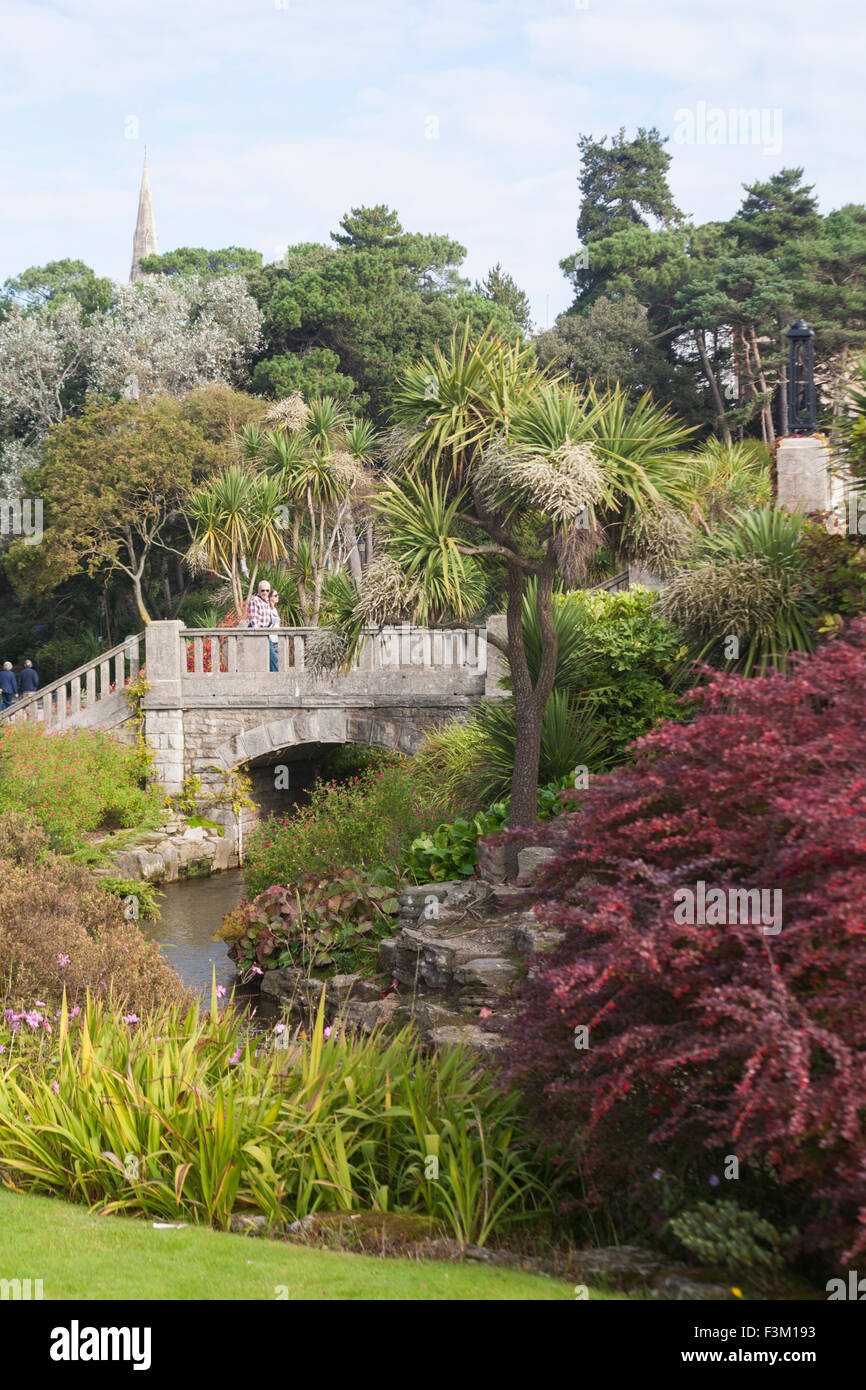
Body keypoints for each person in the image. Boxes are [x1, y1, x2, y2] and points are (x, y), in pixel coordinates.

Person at [267, 589, 281, 672]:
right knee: (274, 660)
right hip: (270, 639)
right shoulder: (267, 610)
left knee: (275, 661)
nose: (277, 597)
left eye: (277, 595)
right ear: (270, 598)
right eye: (275, 595)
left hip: (276, 639)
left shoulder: (274, 610)